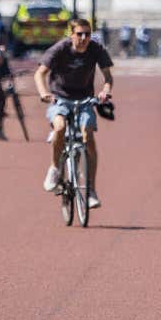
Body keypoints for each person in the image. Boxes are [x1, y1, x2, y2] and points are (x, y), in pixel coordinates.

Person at [35, 18, 114, 208]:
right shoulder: (60, 49)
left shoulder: (96, 48)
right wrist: (44, 93)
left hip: (84, 100)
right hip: (59, 99)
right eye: (79, 34)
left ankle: (91, 190)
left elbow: (108, 77)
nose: (84, 38)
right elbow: (40, 73)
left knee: (88, 136)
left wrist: (105, 91)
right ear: (71, 35)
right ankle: (55, 168)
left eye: (87, 34)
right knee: (59, 127)